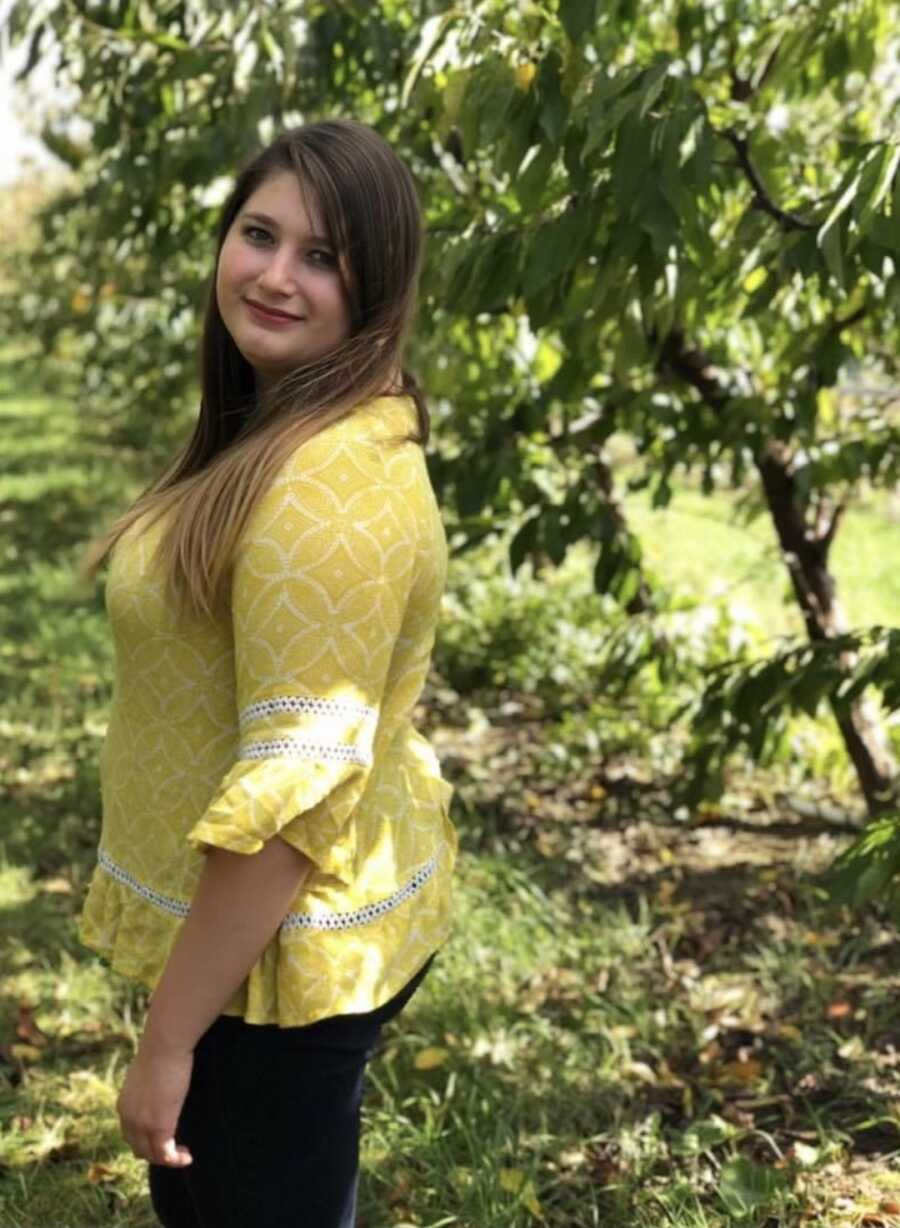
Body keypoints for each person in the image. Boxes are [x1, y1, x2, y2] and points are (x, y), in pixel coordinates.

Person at [76, 118, 458, 1228]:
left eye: (323, 256)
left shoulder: (327, 494)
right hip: (253, 952)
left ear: (377, 284)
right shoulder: (284, 429)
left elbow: (292, 807)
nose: (276, 275)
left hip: (275, 963)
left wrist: (164, 1044)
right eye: (259, 233)